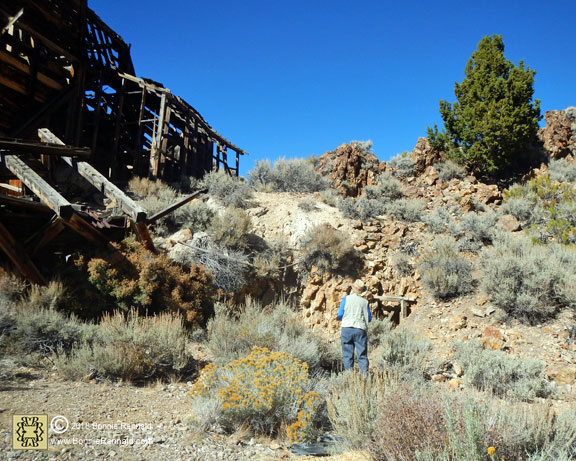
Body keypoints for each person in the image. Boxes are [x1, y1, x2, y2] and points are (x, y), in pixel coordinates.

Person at [337, 279, 372, 375]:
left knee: (347, 355)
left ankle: (349, 378)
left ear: (353, 288)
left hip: (347, 329)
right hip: (360, 330)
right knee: (362, 355)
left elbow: (339, 314)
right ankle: (365, 378)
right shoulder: (365, 302)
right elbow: (369, 318)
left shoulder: (346, 299)